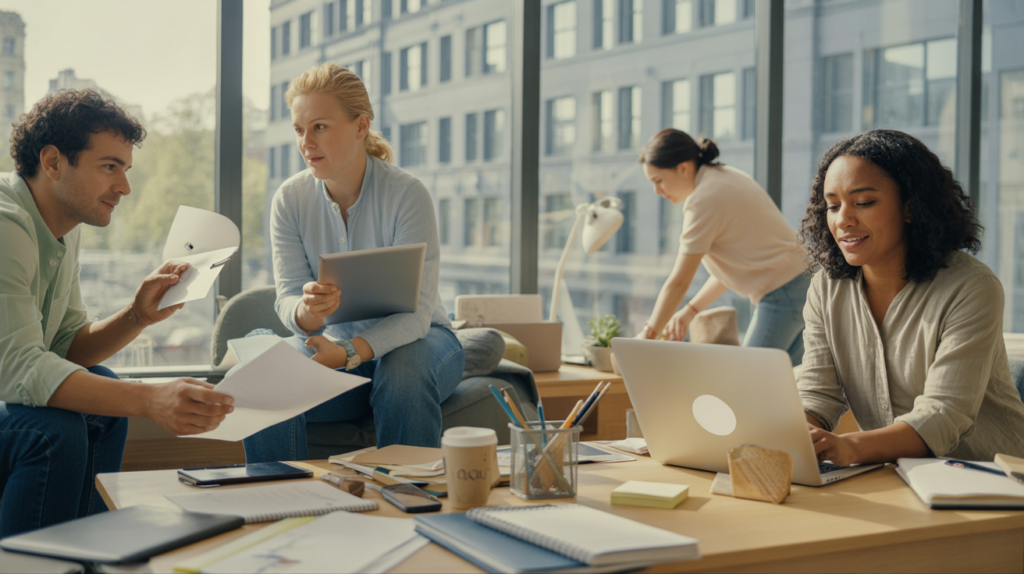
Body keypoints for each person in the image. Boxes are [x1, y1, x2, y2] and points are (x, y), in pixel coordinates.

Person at [0, 90, 234, 536]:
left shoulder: (61, 226)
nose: (124, 188)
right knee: (51, 432)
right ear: (52, 163)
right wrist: (151, 400)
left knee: (105, 394)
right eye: (110, 167)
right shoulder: (6, 225)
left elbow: (66, 346)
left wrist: (136, 316)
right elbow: (19, 367)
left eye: (125, 170)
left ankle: (89, 554)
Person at [242, 63, 464, 463]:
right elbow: (288, 297)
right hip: (333, 352)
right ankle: (279, 503)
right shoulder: (289, 200)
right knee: (263, 374)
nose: (306, 142)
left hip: (417, 342)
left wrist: (350, 352)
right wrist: (307, 311)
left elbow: (415, 317)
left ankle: (412, 500)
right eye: (298, 130)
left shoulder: (407, 194)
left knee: (401, 374)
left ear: (361, 126)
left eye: (320, 127)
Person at [797, 129, 1024, 464]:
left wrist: (849, 447)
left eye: (863, 203)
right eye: (832, 205)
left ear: (910, 206)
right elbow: (818, 393)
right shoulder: (826, 287)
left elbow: (943, 415)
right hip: (894, 476)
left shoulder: (972, 287)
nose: (843, 219)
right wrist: (798, 435)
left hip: (992, 480)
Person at [636, 128, 810, 365]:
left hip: (784, 292)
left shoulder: (703, 199)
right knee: (782, 388)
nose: (657, 191)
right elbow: (731, 269)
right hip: (803, 285)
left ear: (683, 167)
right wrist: (690, 311)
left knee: (744, 387)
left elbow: (678, 282)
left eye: (658, 180)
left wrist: (648, 334)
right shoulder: (723, 177)